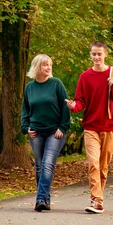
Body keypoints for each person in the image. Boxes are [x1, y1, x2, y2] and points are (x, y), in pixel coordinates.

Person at [65, 41, 113, 213]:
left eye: (99, 54)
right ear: (90, 55)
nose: (96, 57)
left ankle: (96, 197)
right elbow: (81, 101)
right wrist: (73, 106)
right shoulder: (85, 77)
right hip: (91, 127)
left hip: (109, 127)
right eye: (93, 54)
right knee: (93, 163)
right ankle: (97, 200)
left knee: (103, 166)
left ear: (105, 54)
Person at [21, 54, 71, 212]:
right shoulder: (30, 87)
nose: (49, 68)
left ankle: (40, 198)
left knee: (47, 164)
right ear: (37, 67)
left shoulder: (56, 84)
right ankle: (45, 200)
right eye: (45, 65)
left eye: (50, 65)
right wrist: (25, 127)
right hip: (36, 132)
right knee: (39, 167)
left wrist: (63, 128)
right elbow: (25, 109)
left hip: (54, 132)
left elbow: (65, 107)